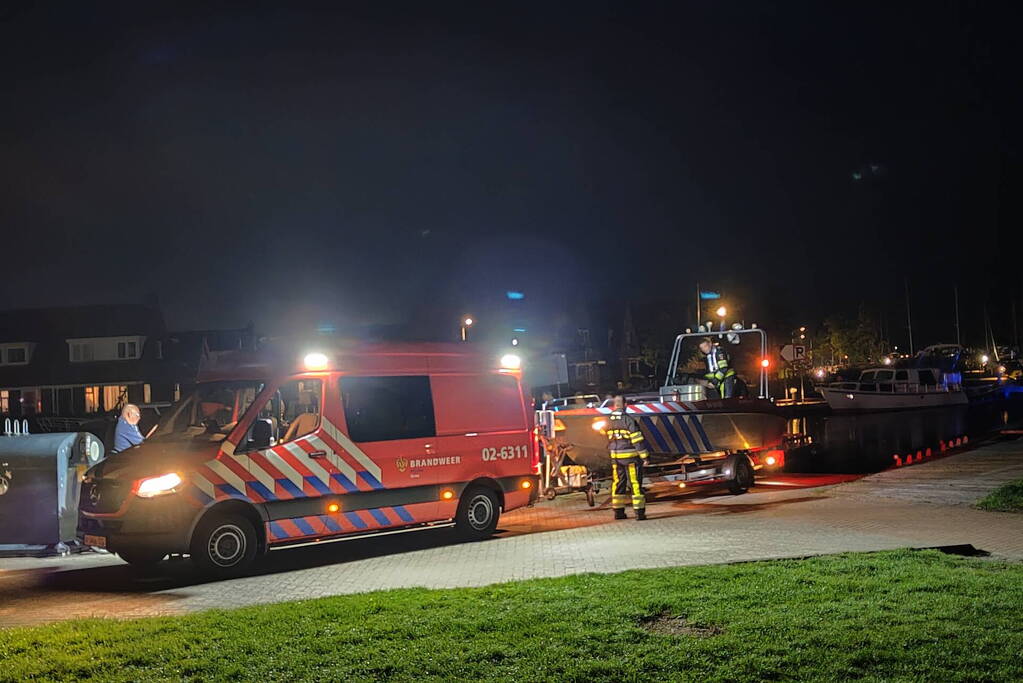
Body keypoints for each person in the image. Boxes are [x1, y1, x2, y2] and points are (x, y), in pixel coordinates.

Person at [605, 395, 648, 520]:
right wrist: (645, 456)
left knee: (618, 483)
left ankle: (618, 512)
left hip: (615, 458)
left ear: (614, 405)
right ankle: (639, 513)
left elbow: (604, 439)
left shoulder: (608, 420)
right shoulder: (628, 420)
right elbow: (637, 440)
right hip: (630, 458)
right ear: (625, 405)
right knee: (635, 484)